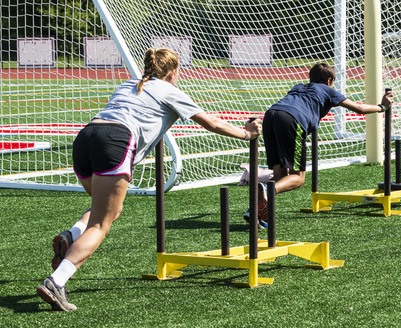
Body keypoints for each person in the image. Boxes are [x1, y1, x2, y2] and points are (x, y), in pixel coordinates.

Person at [36, 48, 261, 311]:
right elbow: (212, 123)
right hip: (115, 141)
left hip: (86, 136)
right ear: (172, 73)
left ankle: (72, 234)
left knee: (108, 209)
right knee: (101, 222)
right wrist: (247, 135)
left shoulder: (129, 83)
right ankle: (56, 281)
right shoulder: (170, 90)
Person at [245, 62, 393, 228]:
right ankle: (265, 190)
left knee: (279, 175)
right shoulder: (328, 90)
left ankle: (255, 212)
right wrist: (382, 107)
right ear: (329, 80)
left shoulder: (298, 87)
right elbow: (360, 108)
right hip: (292, 120)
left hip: (270, 117)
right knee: (298, 178)